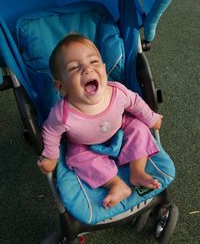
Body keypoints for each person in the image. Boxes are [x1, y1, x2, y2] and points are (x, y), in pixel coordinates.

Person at [37, 33, 163, 209]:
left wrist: (150, 118)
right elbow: (50, 131)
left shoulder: (118, 92)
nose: (87, 70)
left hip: (119, 127)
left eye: (94, 62)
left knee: (138, 127)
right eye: (74, 68)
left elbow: (135, 103)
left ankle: (137, 171)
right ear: (61, 87)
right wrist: (50, 155)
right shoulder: (62, 114)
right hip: (83, 144)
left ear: (104, 69)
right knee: (76, 158)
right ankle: (115, 184)